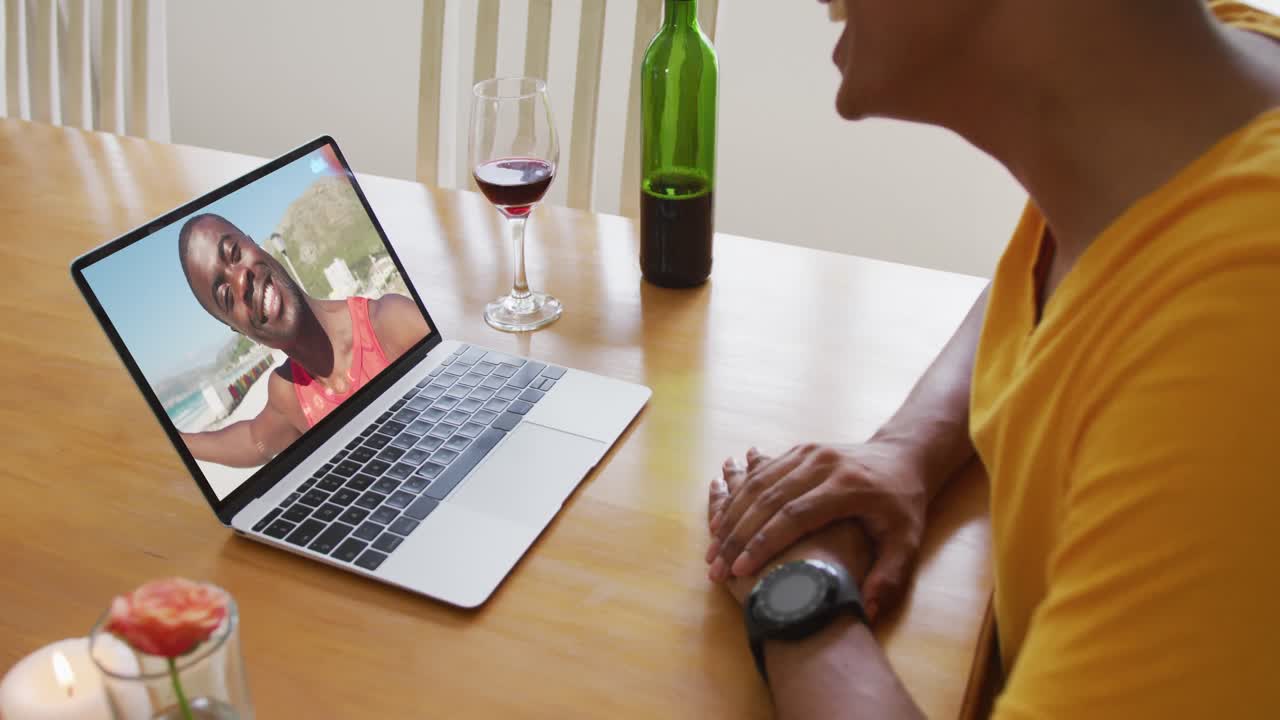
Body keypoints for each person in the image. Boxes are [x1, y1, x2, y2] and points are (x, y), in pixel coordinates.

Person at [705, 1, 1280, 717]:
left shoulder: (1242, 326)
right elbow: (1076, 264)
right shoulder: (1189, 103)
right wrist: (904, 451)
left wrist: (799, 596)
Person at [176, 213, 429, 468]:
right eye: (227, 297)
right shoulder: (288, 396)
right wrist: (179, 440)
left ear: (257, 246)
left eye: (234, 253)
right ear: (235, 328)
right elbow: (254, 441)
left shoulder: (390, 323)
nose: (241, 281)